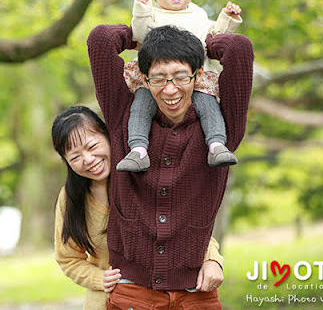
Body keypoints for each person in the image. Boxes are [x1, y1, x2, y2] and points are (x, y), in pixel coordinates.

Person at [87, 24, 253, 308]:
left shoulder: (222, 131)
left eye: (180, 77)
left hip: (197, 289)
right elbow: (100, 39)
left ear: (198, 75)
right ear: (143, 78)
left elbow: (239, 48)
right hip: (131, 290)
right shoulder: (123, 117)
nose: (170, 89)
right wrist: (140, 34)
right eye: (159, 79)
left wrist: (203, 45)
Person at [52, 105, 225, 310]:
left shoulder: (144, 176)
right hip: (108, 301)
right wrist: (99, 278)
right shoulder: (71, 199)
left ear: (108, 136)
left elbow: (188, 230)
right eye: (75, 157)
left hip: (171, 297)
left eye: (91, 147)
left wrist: (213, 260)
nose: (88, 160)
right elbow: (68, 258)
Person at [117, 0, 243, 172]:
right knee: (141, 106)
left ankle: (216, 144)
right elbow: (140, 34)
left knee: (208, 104)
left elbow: (213, 37)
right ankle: (138, 149)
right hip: (154, 77)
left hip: (194, 76)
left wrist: (227, 18)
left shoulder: (198, 14)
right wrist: (140, 10)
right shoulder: (151, 13)